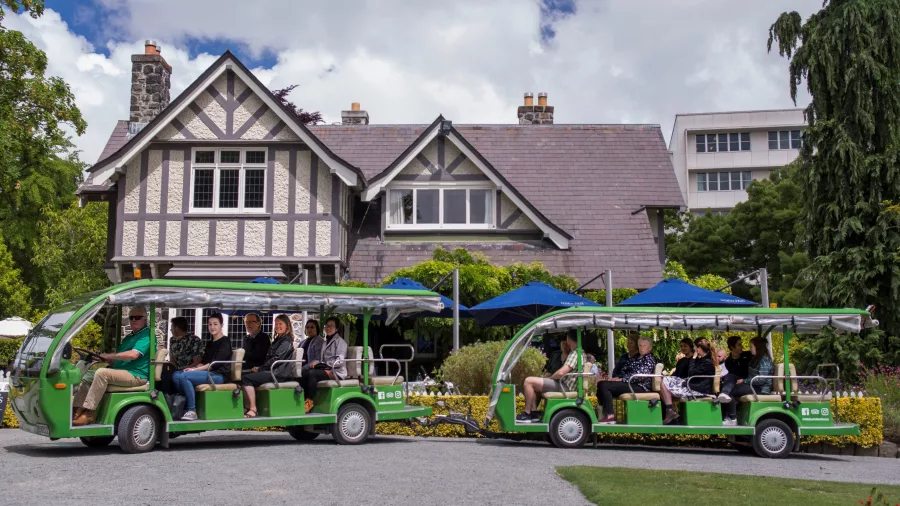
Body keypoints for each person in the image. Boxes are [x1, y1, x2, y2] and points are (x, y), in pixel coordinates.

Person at [72, 306, 152, 426]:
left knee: (102, 373)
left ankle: (89, 413)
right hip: (123, 372)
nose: (134, 320)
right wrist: (106, 359)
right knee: (88, 375)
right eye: (131, 318)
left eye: (138, 317)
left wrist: (111, 355)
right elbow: (118, 360)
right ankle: (76, 410)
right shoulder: (129, 337)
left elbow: (133, 355)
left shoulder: (147, 335)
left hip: (137, 375)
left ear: (145, 319)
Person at [172, 313, 233, 421]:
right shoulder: (210, 343)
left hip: (219, 375)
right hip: (209, 372)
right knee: (176, 375)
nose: (212, 327)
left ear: (221, 325)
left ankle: (192, 410)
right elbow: (204, 361)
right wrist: (194, 368)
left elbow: (215, 364)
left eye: (215, 324)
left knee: (184, 376)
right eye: (210, 324)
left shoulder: (225, 341)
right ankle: (185, 406)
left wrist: (195, 370)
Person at [518, 330, 584, 423]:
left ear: (568, 339)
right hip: (565, 385)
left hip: (565, 387)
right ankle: (534, 413)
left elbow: (561, 373)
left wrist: (550, 379)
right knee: (535, 385)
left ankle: (527, 413)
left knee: (528, 381)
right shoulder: (579, 352)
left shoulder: (575, 353)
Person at [241, 314, 296, 418]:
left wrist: (260, 368)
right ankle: (247, 407)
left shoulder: (286, 341)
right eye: (276, 324)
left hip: (279, 374)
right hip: (273, 371)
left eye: (280, 324)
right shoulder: (278, 339)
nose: (277, 326)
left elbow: (277, 359)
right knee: (245, 376)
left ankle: (253, 409)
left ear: (287, 326)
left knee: (246, 379)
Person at [595, 336, 658, 424]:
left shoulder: (649, 358)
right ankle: (603, 414)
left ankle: (609, 416)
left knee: (605, 386)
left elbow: (639, 376)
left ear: (650, 348)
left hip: (640, 386)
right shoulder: (636, 358)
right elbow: (625, 370)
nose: (642, 348)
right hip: (630, 383)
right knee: (602, 384)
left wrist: (622, 379)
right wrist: (616, 378)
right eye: (640, 345)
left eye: (644, 346)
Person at [659, 341, 718, 424]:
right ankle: (670, 410)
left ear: (699, 349)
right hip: (693, 386)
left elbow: (691, 372)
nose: (694, 350)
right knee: (663, 381)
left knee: (664, 383)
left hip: (699, 390)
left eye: (695, 348)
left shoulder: (706, 362)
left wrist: (693, 359)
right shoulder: (703, 360)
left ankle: (670, 410)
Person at [299, 317, 348, 413]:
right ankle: (302, 399)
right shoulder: (326, 342)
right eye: (327, 326)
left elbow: (339, 361)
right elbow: (321, 359)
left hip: (336, 372)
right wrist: (318, 363)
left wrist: (323, 364)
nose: (328, 328)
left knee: (312, 373)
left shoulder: (340, 342)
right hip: (326, 370)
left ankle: (309, 401)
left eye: (331, 326)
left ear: (336, 329)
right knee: (304, 374)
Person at [722, 337, 774, 425]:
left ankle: (732, 418)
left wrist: (744, 381)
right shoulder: (756, 358)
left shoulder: (764, 360)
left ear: (757, 347)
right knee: (730, 381)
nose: (749, 349)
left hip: (760, 389)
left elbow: (761, 380)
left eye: (751, 346)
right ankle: (728, 415)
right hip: (753, 386)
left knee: (731, 391)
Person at [157, 316, 203, 394]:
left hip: (190, 370)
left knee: (175, 376)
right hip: (176, 369)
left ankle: (178, 396)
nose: (171, 330)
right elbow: (172, 360)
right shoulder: (173, 340)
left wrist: (184, 370)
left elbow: (197, 361)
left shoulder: (194, 340)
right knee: (164, 372)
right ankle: (165, 396)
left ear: (177, 328)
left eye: (171, 327)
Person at [717, 335, 753, 403]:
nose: (742, 346)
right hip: (734, 382)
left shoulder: (748, 356)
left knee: (730, 386)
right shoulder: (728, 361)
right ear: (732, 347)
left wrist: (743, 380)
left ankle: (731, 413)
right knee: (724, 384)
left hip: (746, 382)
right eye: (739, 345)